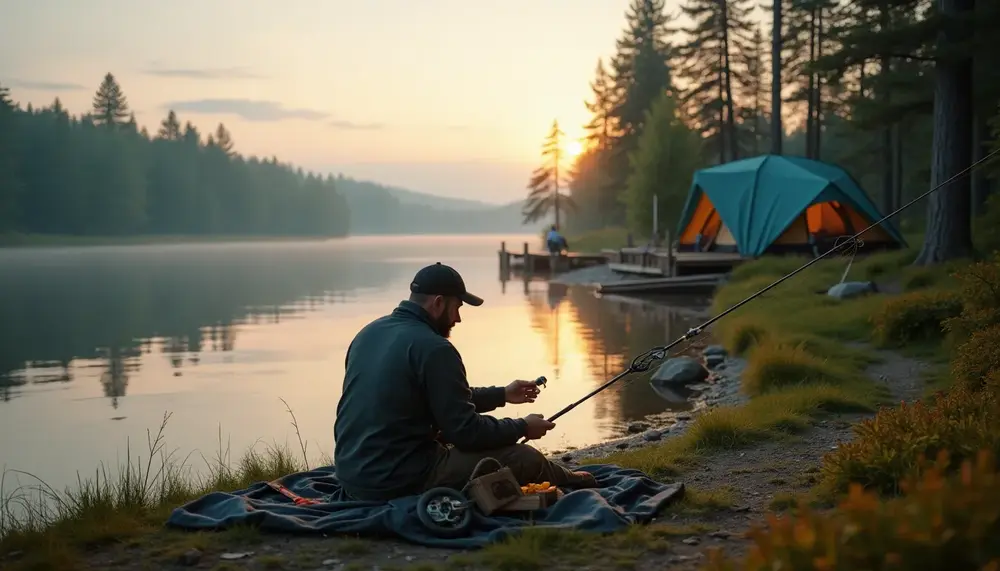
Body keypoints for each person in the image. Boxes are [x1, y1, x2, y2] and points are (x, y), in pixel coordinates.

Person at [333, 262, 598, 502]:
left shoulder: (368, 333)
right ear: (438, 303)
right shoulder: (436, 348)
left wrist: (502, 394)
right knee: (522, 457)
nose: (458, 318)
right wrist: (522, 427)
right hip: (398, 480)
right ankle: (567, 478)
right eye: (457, 308)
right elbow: (467, 432)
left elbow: (436, 398)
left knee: (452, 439)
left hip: (352, 473)